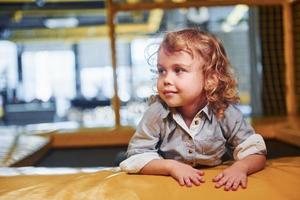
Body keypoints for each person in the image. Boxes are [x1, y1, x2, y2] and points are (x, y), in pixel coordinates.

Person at [120, 28, 267, 191]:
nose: (166, 79)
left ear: (210, 78)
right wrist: (171, 167)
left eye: (179, 70)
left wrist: (241, 168)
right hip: (169, 180)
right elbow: (136, 157)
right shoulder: (157, 113)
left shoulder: (223, 111)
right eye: (162, 70)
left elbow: (256, 152)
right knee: (121, 158)